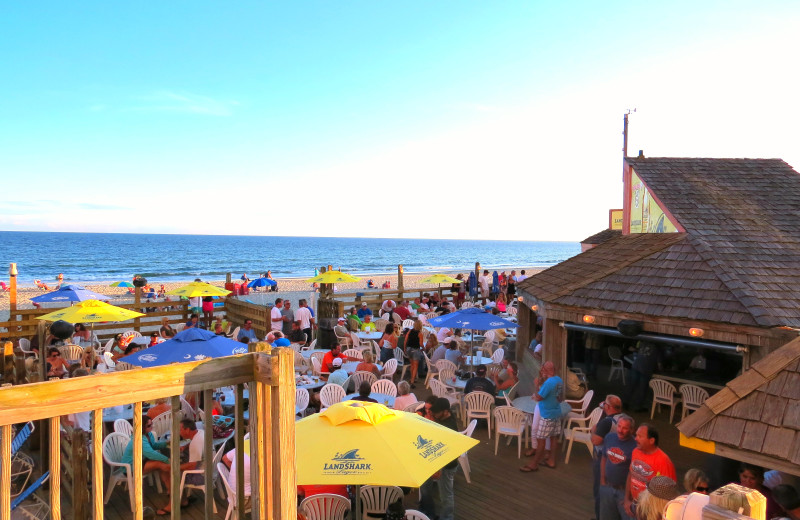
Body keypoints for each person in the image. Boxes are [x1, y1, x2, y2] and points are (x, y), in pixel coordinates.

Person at [420, 398, 460, 520]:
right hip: (434, 461)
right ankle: (427, 512)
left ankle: (447, 517)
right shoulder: (441, 418)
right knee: (425, 486)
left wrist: (439, 469)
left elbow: (448, 452)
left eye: (436, 412)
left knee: (446, 495)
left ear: (445, 411)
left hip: (447, 465)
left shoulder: (450, 427)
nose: (434, 413)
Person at [624, 424, 676, 517]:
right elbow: (630, 474)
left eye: (640, 436)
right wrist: (626, 499)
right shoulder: (635, 451)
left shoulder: (663, 461)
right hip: (634, 504)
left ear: (651, 440)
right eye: (636, 435)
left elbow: (668, 492)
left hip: (650, 510)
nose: (636, 438)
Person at [156, 419, 206, 515]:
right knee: (180, 467)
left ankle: (172, 506)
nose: (179, 432)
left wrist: (172, 468)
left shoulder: (195, 444)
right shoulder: (200, 432)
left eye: (180, 429)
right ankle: (183, 501)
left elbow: (192, 466)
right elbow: (193, 443)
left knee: (174, 475)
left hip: (202, 476)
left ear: (187, 430)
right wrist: (185, 446)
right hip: (210, 469)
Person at [520, 361, 562, 472]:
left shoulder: (549, 383)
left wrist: (535, 389)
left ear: (546, 369)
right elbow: (558, 398)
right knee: (553, 438)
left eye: (542, 368)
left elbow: (539, 397)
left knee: (541, 439)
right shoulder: (559, 380)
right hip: (556, 412)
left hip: (547, 413)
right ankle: (551, 461)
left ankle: (534, 464)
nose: (541, 370)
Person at [122, 416, 172, 504]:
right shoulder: (139, 439)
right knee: (162, 464)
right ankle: (174, 490)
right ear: (142, 427)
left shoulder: (148, 434)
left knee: (163, 465)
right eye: (149, 426)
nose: (151, 427)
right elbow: (151, 454)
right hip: (131, 467)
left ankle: (171, 490)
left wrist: (166, 444)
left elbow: (153, 446)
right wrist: (167, 459)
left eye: (151, 424)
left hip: (141, 461)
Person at [597, 414, 637, 520]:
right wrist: (602, 480)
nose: (620, 430)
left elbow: (634, 473)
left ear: (632, 430)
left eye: (625, 428)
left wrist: (628, 497)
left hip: (624, 492)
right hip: (607, 487)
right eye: (619, 426)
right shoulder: (609, 438)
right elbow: (604, 458)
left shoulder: (635, 447)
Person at [591, 395, 624, 517]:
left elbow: (596, 441)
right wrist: (603, 405)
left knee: (599, 490)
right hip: (618, 459)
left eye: (605, 404)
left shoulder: (606, 422)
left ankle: (599, 516)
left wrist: (593, 430)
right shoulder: (624, 419)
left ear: (608, 407)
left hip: (603, 459)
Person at [626, 341, 662, 413]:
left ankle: (625, 403)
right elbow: (659, 364)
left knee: (631, 386)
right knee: (642, 389)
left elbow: (635, 351)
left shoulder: (644, 344)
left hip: (635, 367)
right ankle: (638, 407)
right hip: (646, 370)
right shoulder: (658, 350)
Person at [222, 445, 251, 511]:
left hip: (233, 495)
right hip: (243, 500)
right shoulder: (261, 454)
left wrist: (239, 473)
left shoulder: (245, 443)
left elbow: (225, 458)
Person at [404, 320, 424, 387]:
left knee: (412, 364)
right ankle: (412, 380)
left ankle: (411, 378)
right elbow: (421, 344)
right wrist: (424, 348)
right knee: (415, 366)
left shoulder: (410, 331)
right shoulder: (420, 334)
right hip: (415, 350)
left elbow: (406, 340)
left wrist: (404, 349)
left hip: (409, 349)